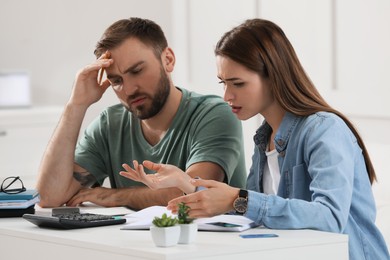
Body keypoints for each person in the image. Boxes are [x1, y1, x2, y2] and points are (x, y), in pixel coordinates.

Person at [120, 18, 390, 259]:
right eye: (222, 83)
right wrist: (187, 184)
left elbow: (330, 218)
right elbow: (252, 212)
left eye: (237, 84)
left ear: (274, 77)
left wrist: (241, 199)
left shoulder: (323, 130)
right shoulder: (265, 139)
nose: (227, 96)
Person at [36, 17, 247, 210]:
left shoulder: (214, 114)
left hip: (213, 249)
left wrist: (115, 197)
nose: (128, 90)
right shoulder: (109, 124)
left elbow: (192, 192)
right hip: (140, 248)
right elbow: (50, 197)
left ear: (168, 60)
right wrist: (76, 105)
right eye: (116, 81)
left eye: (136, 71)